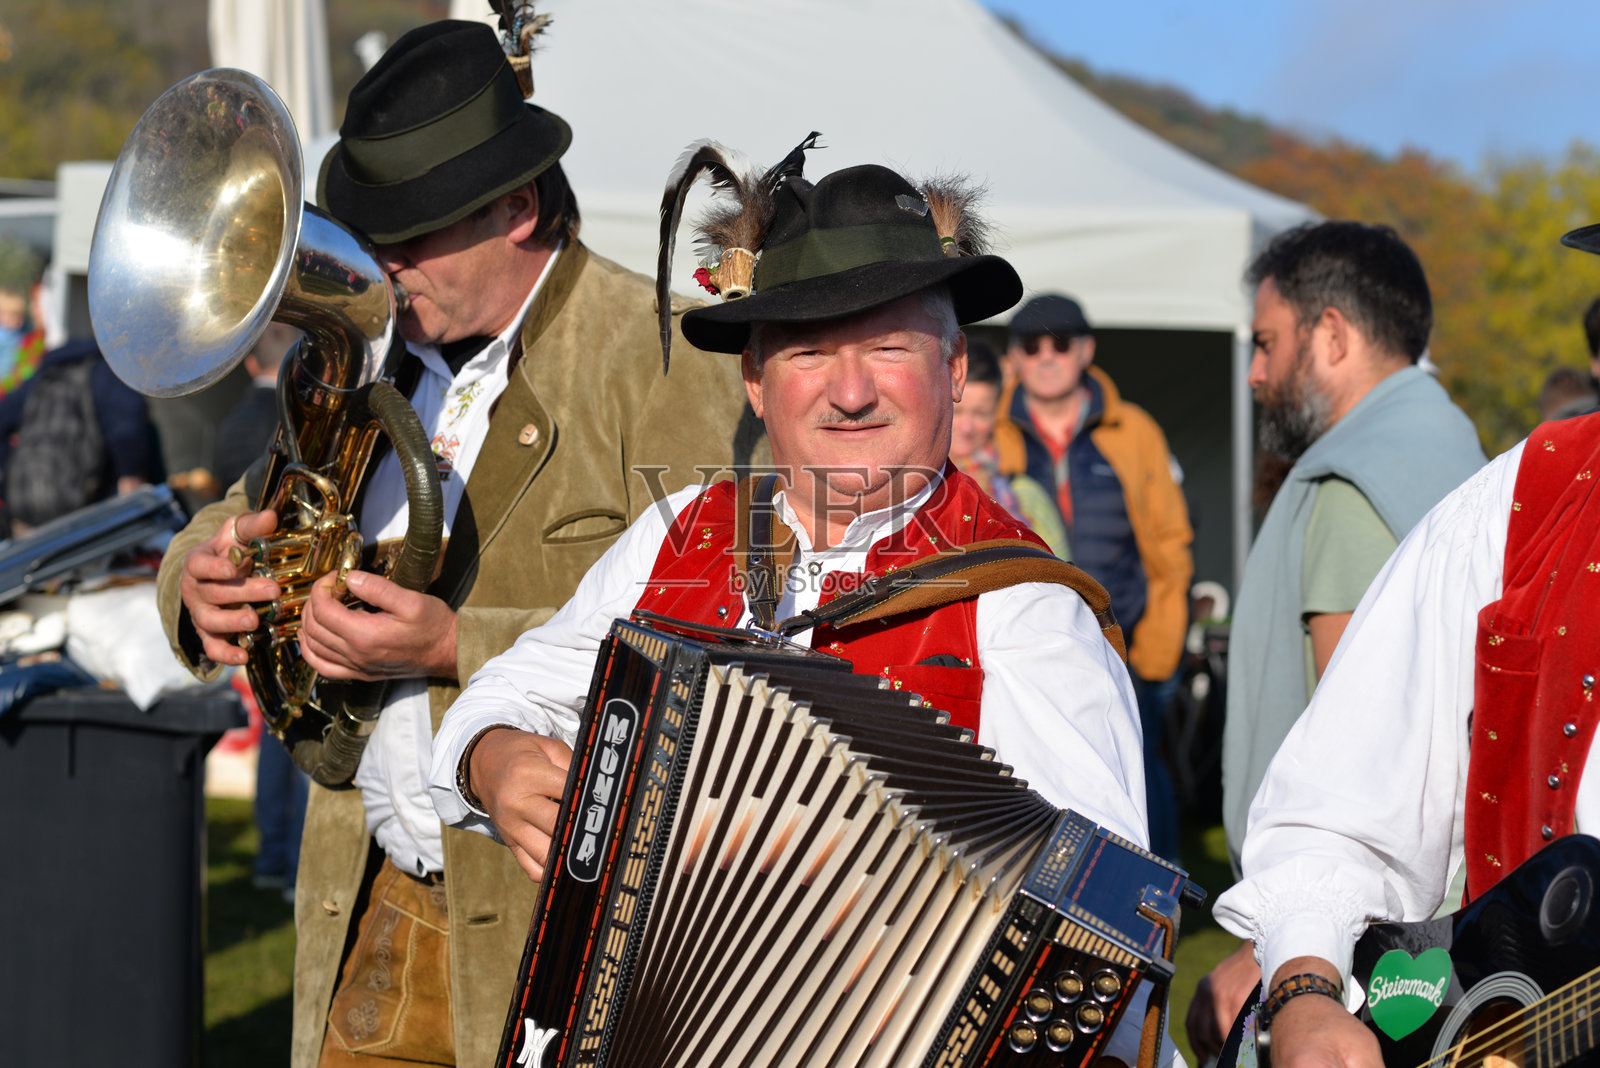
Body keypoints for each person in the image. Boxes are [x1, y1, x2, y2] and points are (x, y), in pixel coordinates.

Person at [427, 162, 1173, 1067]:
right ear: (754, 380)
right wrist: (495, 761)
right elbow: (505, 693)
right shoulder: (673, 535)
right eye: (809, 352)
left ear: (957, 369)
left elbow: (1103, 952)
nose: (849, 391)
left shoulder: (1021, 608)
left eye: (889, 348)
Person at [154, 21, 746, 1068]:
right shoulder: (351, 352)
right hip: (370, 896)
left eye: (413, 236)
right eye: (371, 231)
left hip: (554, 921)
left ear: (519, 208)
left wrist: (453, 646)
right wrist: (191, 577)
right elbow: (248, 504)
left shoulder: (664, 357)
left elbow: (724, 633)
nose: (379, 264)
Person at [1201, 217, 1600, 1068]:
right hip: (1507, 1020)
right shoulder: (1514, 500)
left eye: (1266, 344)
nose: (1254, 374)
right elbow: (1347, 793)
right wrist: (1305, 981)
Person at [1187, 221, 1486, 1061]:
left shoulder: (1355, 489)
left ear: (1331, 336)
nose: (1253, 373)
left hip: (1363, 953)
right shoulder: (1457, 452)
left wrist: (1276, 958)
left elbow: (1353, 758)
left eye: (1266, 344)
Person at [994, 293, 1193, 863]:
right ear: (1014, 358)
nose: (1047, 356)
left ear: (1086, 350)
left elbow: (1171, 541)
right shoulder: (989, 431)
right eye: (1032, 345)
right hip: (1030, 645)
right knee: (1039, 777)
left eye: (1061, 343)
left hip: (1128, 644)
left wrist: (1157, 647)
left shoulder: (1133, 430)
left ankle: (1158, 903)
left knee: (1142, 778)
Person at [950, 336, 1069, 557]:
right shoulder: (910, 488)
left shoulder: (1024, 495)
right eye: (957, 411)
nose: (967, 428)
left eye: (981, 414)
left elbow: (1065, 576)